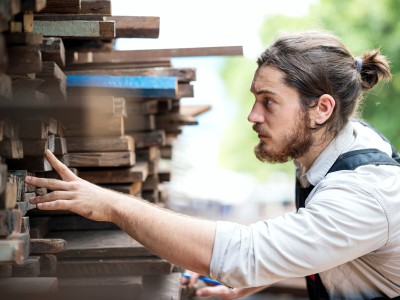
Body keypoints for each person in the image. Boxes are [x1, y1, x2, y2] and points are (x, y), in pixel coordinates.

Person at [25, 29, 400, 300]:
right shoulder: (335, 147)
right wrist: (242, 286)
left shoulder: (364, 194)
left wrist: (111, 204)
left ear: (321, 109)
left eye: (269, 101)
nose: (253, 115)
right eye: (255, 98)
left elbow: (244, 255)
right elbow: (319, 240)